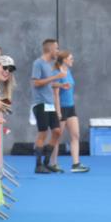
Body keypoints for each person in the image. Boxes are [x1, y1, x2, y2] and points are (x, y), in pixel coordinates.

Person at [30, 39, 66, 174]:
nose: (58, 51)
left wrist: (60, 85)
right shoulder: (38, 63)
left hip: (49, 104)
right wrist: (56, 77)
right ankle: (38, 165)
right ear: (50, 49)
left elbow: (48, 84)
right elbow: (36, 83)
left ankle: (46, 162)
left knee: (57, 131)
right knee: (43, 133)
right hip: (41, 103)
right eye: (56, 48)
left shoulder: (49, 65)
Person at [52, 50, 89, 173]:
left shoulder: (68, 72)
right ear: (64, 60)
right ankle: (53, 163)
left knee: (75, 135)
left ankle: (76, 164)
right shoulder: (57, 73)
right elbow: (56, 94)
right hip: (61, 108)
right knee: (57, 137)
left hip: (71, 108)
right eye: (71, 58)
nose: (72, 60)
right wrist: (58, 112)